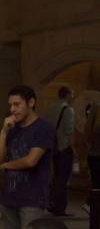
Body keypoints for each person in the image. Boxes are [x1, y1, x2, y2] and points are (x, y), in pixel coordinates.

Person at [0, 85, 56, 229]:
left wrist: (7, 165)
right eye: (10, 105)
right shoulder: (12, 128)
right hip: (9, 197)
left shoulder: (43, 128)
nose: (12, 109)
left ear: (31, 102)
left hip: (32, 199)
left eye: (17, 104)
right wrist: (4, 132)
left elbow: (31, 160)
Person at [43, 86, 76, 216]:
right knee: (63, 179)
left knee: (56, 177)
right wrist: (74, 149)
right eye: (72, 93)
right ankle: (60, 208)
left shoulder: (51, 108)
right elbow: (69, 131)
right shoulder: (68, 110)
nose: (73, 95)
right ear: (68, 94)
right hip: (64, 148)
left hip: (54, 148)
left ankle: (51, 203)